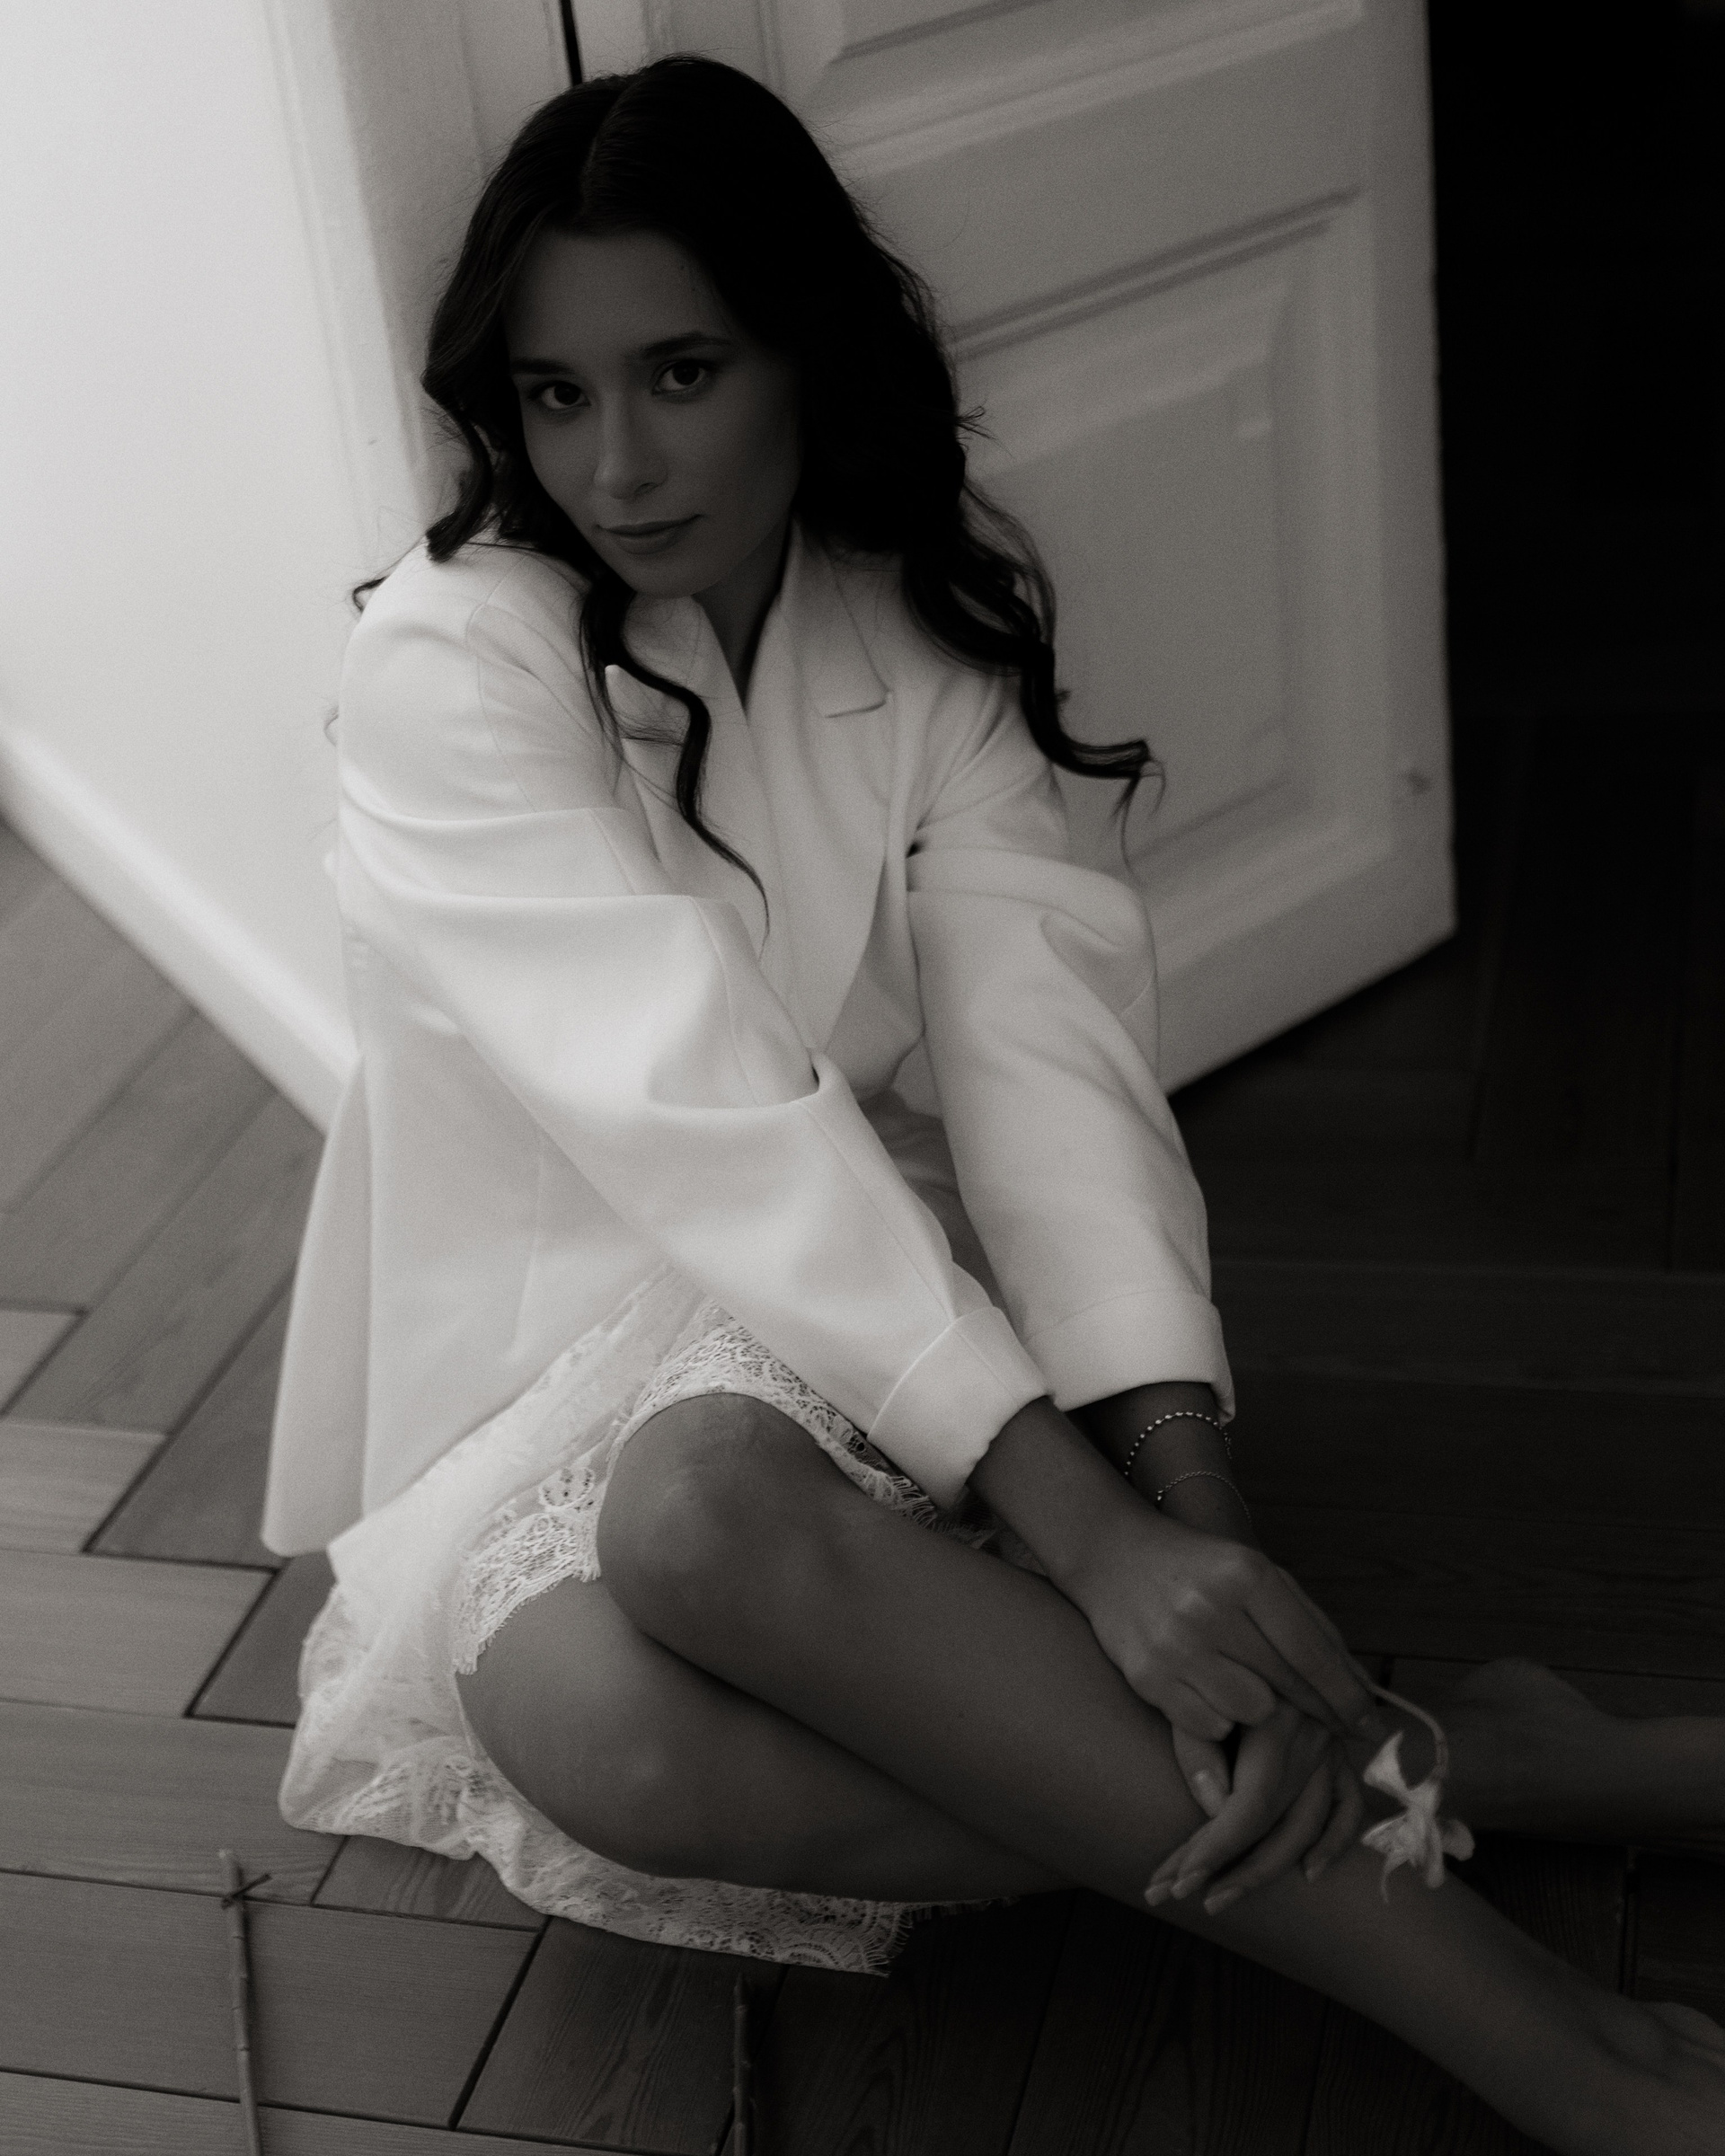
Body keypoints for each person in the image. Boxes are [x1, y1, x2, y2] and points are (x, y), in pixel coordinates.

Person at [261, 56, 1725, 2152]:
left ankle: (1560, 2045)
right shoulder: (454, 662)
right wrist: (1092, 1546)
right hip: (563, 1331)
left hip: (851, 1285)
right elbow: (699, 1114)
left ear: (802, 352)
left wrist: (1192, 1544)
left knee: (703, 1515)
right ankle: (1453, 1756)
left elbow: (1053, 1083)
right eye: (556, 393)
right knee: (620, 1755)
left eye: (682, 371)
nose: (618, 463)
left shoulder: (913, 615)